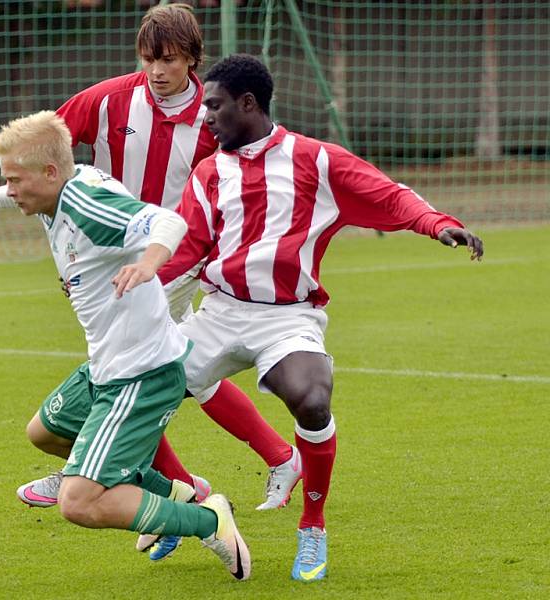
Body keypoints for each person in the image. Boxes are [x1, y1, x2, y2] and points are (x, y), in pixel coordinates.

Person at [0, 2, 301, 558]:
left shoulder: (212, 113)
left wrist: (166, 257)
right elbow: (40, 159)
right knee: (162, 374)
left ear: (192, 60)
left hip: (169, 254)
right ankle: (190, 483)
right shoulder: (108, 100)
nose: (157, 70)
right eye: (148, 58)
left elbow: (229, 179)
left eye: (170, 60)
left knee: (164, 372)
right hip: (105, 251)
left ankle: (179, 491)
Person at [155, 54, 484, 583]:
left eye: (214, 106)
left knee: (312, 398)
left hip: (288, 317)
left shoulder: (315, 160)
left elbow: (388, 194)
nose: (206, 117)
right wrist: (133, 282)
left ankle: (312, 526)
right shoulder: (208, 172)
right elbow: (187, 248)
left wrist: (436, 223)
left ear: (248, 104)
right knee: (136, 397)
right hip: (218, 314)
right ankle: (183, 503)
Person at [0, 110, 251, 581]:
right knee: (46, 432)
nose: (10, 188)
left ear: (51, 173)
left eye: (14, 179)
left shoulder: (86, 205)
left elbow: (166, 222)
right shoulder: (54, 190)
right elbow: (18, 190)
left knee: (79, 503)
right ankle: (171, 494)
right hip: (105, 365)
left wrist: (149, 265)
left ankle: (208, 518)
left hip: (140, 374)